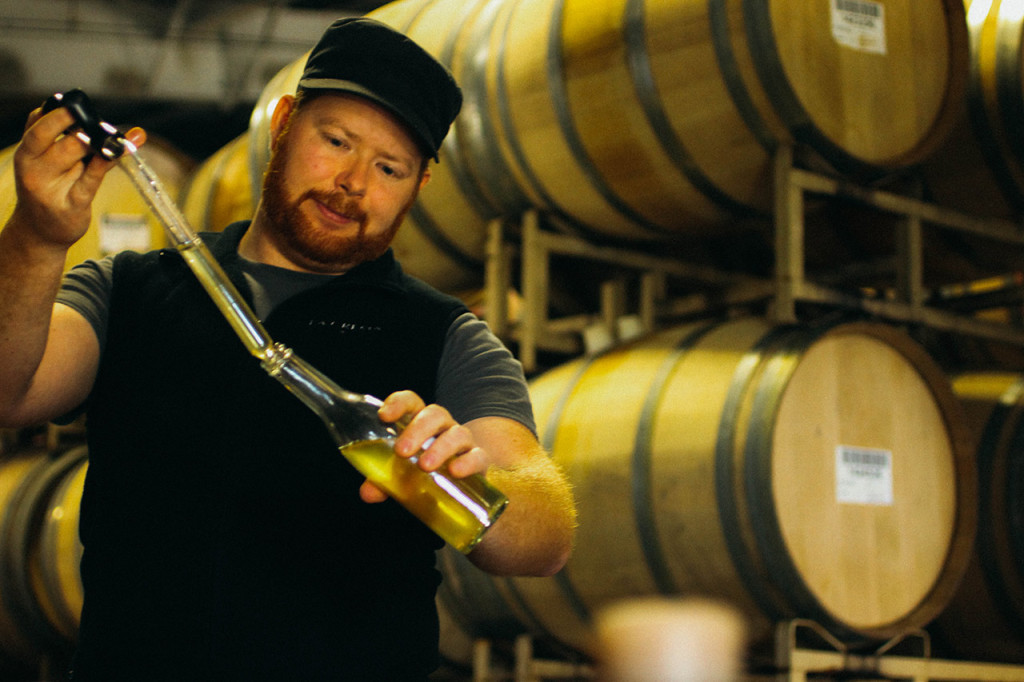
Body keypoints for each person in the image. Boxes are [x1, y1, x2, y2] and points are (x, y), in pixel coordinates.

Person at [0, 17, 576, 681]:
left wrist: (464, 474)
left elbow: (545, 533)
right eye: (335, 141)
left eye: (389, 167)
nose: (353, 181)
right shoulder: (129, 290)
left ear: (418, 188)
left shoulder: (444, 335)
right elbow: (12, 391)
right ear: (281, 124)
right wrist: (38, 238)